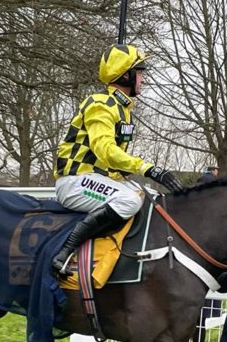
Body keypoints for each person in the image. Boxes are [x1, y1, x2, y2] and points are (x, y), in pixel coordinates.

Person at [52, 43, 184, 276]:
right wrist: (149, 169)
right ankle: (64, 253)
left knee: (153, 199)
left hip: (97, 180)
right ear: (126, 75)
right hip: (76, 182)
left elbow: (111, 162)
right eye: (140, 73)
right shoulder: (101, 104)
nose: (143, 79)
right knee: (130, 201)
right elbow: (105, 150)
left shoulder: (123, 108)